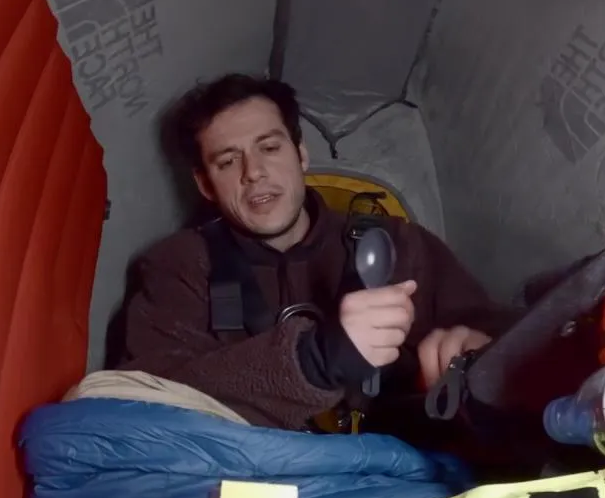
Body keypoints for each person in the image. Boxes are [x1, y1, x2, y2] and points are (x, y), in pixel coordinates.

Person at [116, 73, 509, 437]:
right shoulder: (178, 267)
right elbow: (143, 403)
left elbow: (508, 339)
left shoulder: (400, 245)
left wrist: (483, 354)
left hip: (398, 470)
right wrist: (313, 360)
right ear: (205, 185)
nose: (253, 172)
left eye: (270, 147)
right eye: (228, 160)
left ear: (301, 155)